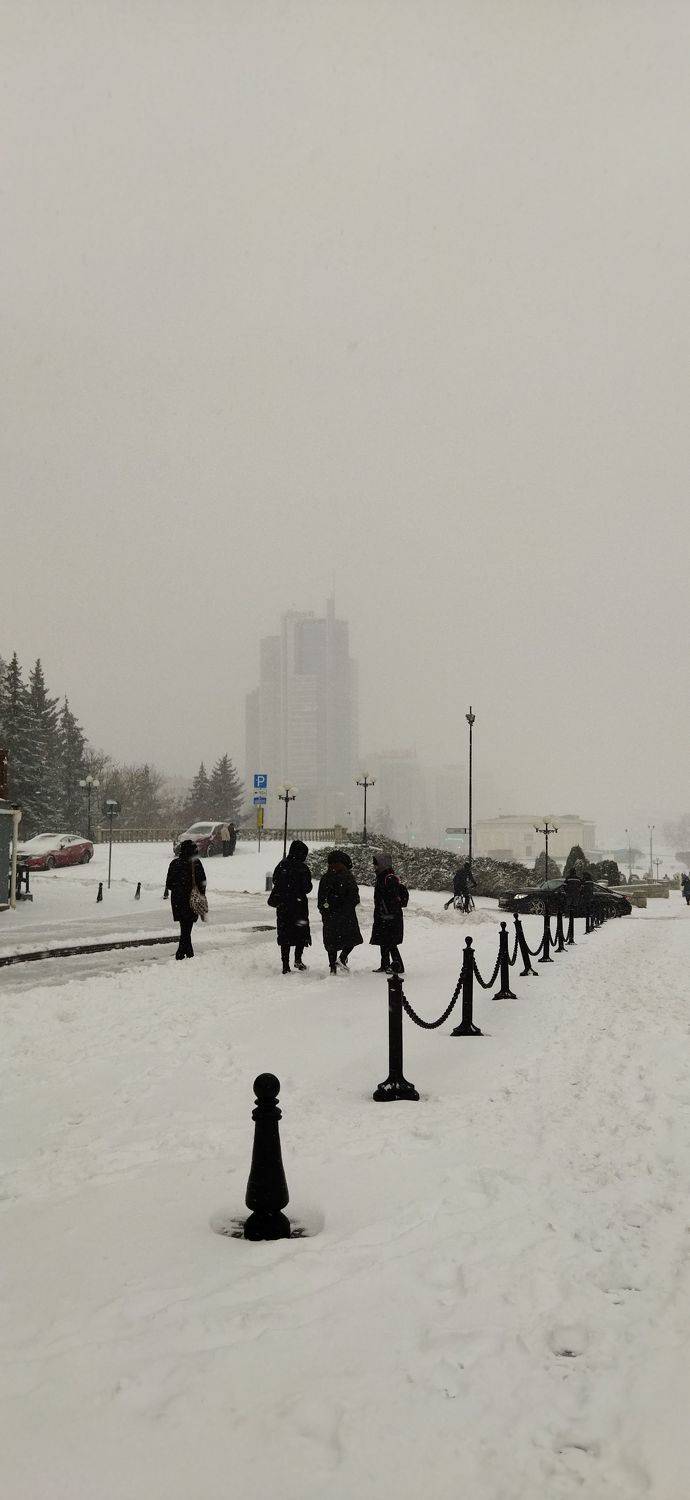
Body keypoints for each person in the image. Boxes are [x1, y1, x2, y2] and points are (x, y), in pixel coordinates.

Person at [269, 839, 312, 973]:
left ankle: (285, 965)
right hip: (299, 907)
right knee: (301, 933)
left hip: (284, 906)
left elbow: (275, 880)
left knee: (285, 935)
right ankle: (298, 959)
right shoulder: (303, 868)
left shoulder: (282, 865)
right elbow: (307, 888)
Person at [317, 850, 363, 974]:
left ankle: (333, 968)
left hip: (330, 915)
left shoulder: (326, 878)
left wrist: (324, 910)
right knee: (352, 939)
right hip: (346, 915)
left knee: (331, 943)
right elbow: (354, 897)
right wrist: (347, 906)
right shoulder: (347, 877)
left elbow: (321, 898)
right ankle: (342, 958)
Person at [165, 839, 207, 959]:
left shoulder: (174, 863)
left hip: (178, 900)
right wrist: (200, 894)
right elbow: (203, 882)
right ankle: (181, 952)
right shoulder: (196, 863)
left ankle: (188, 952)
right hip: (191, 900)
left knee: (184, 927)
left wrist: (178, 888)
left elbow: (169, 884)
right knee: (187, 928)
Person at [370, 852, 409, 974]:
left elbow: (391, 898)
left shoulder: (388, 878)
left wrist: (385, 910)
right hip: (385, 915)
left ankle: (398, 966)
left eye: (376, 864)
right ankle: (385, 965)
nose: (374, 866)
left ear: (382, 864)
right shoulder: (383, 876)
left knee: (390, 942)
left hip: (389, 916)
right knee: (384, 941)